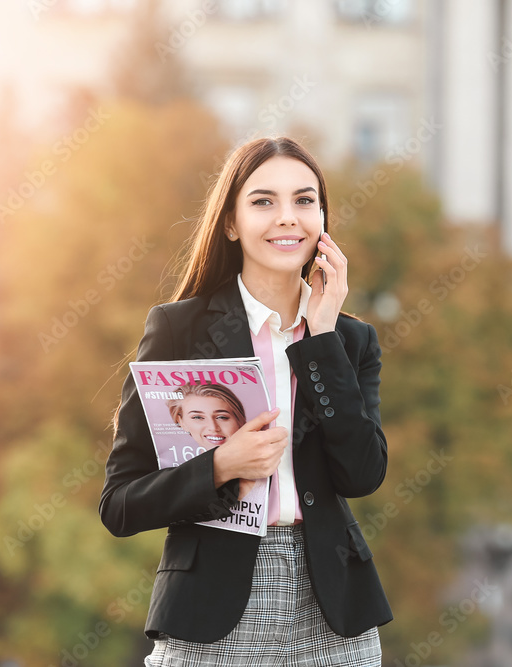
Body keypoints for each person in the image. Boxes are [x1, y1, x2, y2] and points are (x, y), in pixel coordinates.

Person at [99, 136, 392, 666]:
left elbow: (362, 475)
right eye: (263, 201)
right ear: (231, 223)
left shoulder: (350, 341)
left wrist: (321, 339)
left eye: (305, 201)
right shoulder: (178, 329)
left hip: (333, 616)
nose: (288, 218)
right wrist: (219, 466)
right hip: (212, 612)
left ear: (323, 219)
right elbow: (120, 504)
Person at [167, 383, 257, 498]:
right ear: (181, 422)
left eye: (222, 417)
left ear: (239, 420)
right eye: (198, 417)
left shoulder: (261, 477)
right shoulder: (174, 479)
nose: (213, 427)